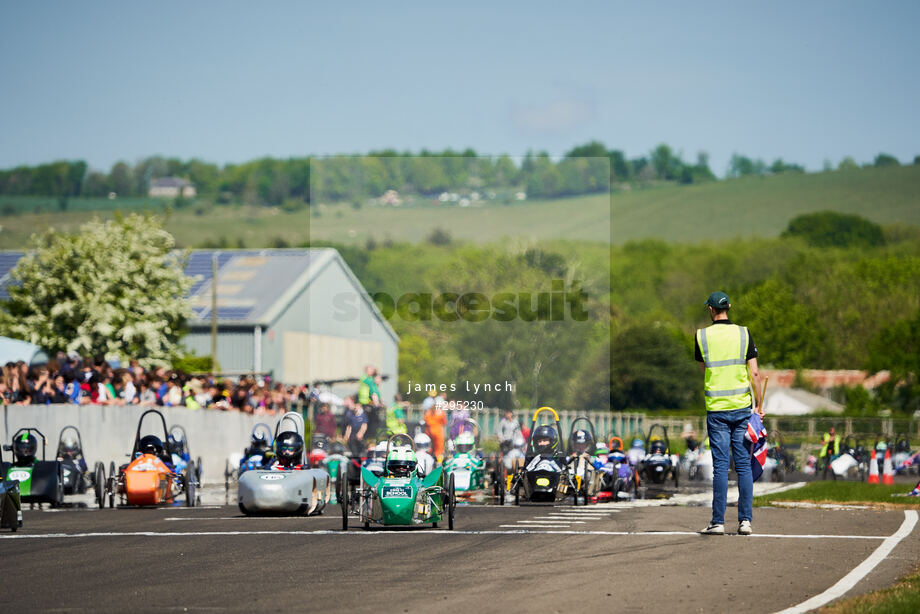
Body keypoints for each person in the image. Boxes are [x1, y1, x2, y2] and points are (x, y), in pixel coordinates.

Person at [696, 291, 762, 536]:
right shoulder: (744, 333)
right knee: (743, 465)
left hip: (717, 409)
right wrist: (759, 405)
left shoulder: (702, 336)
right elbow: (754, 373)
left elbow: (704, 369)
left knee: (720, 467)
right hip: (742, 407)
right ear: (728, 307)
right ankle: (745, 521)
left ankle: (718, 522)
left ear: (711, 310)